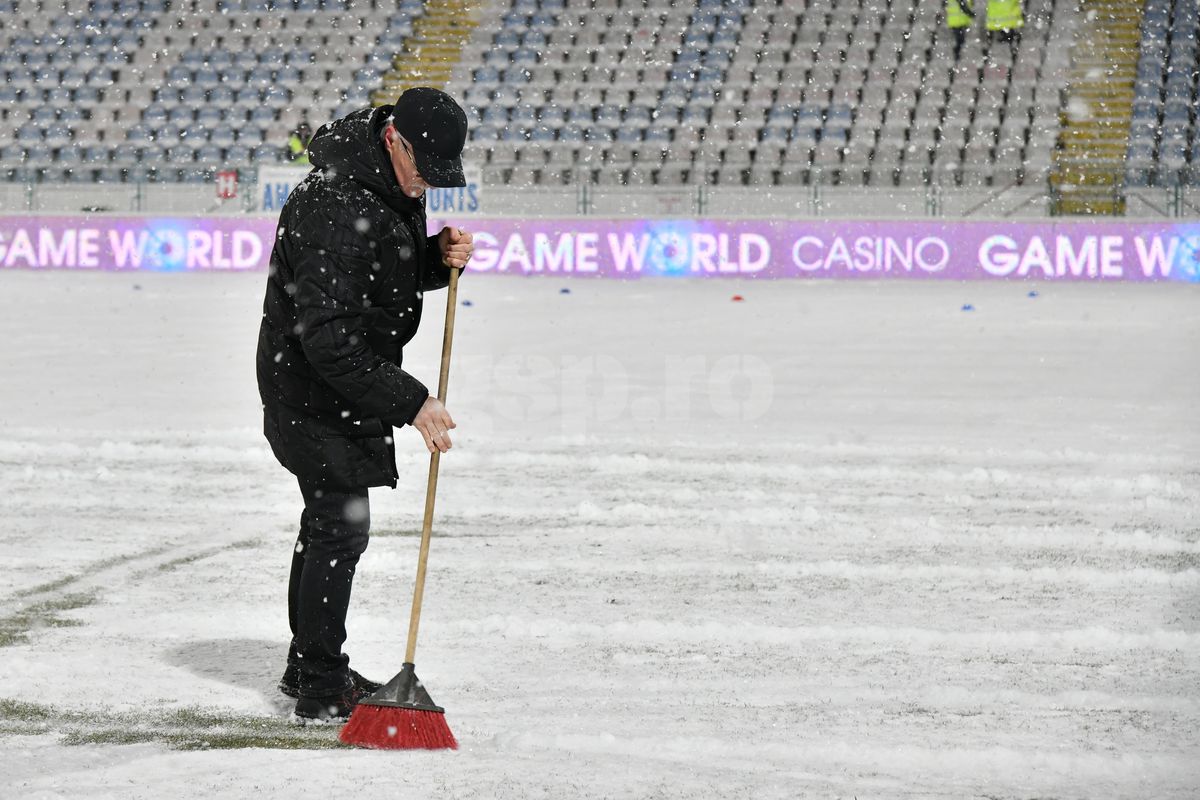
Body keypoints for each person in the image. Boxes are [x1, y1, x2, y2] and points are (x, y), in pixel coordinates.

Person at [256, 87, 475, 722]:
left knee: (328, 526)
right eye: (422, 172)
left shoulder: (382, 183)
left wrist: (435, 259)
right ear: (392, 140)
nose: (425, 186)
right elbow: (329, 338)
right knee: (339, 528)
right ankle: (322, 685)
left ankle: (308, 668)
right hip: (312, 389)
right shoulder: (334, 203)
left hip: (336, 386)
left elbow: (380, 271)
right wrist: (413, 402)